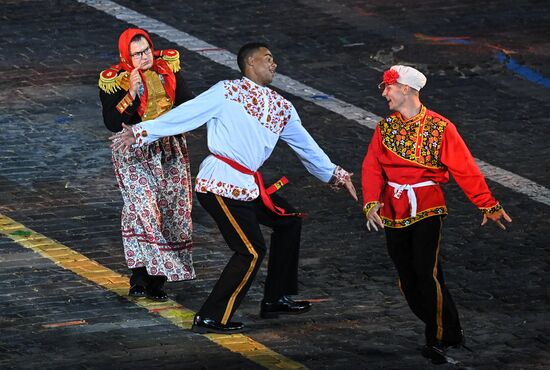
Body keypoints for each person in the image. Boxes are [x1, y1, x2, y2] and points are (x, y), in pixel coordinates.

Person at [110, 42, 358, 333]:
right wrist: (141, 132)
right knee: (250, 251)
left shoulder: (282, 107)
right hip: (219, 184)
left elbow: (306, 146)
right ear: (250, 63)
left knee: (289, 222)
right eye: (268, 59)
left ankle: (276, 297)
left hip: (247, 184)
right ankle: (211, 316)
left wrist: (335, 175)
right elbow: (186, 114)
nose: (274, 64)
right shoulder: (226, 91)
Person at [361, 65, 512, 364]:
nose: (384, 92)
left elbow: (465, 168)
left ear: (405, 89)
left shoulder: (441, 127)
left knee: (426, 273)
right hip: (393, 208)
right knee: (407, 278)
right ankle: (450, 329)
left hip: (427, 205)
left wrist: (487, 204)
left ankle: (438, 337)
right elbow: (371, 167)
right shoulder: (384, 128)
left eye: (388, 87)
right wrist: (371, 202)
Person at [99, 28, 196, 301]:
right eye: (137, 54)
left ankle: (157, 280)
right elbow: (112, 122)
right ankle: (139, 276)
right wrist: (131, 92)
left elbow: (188, 106)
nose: (144, 58)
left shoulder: (168, 69)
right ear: (126, 56)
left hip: (169, 149)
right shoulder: (114, 80)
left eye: (146, 51)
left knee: (170, 209)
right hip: (133, 150)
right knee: (143, 209)